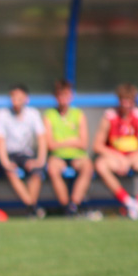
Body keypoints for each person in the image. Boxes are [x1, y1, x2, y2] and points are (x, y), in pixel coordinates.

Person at [92, 83, 138, 220]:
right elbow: (97, 146)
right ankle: (127, 202)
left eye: (129, 101)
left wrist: (129, 161)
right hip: (115, 157)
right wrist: (120, 158)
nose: (126, 104)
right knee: (100, 165)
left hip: (135, 158)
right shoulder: (109, 116)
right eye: (123, 100)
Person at [0, 84, 48, 218]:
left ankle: (31, 208)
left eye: (19, 98)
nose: (16, 101)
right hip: (9, 155)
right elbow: (0, 142)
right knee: (11, 172)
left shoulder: (33, 114)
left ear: (26, 99)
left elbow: (42, 139)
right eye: (13, 98)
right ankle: (32, 207)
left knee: (36, 173)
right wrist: (6, 163)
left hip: (26, 154)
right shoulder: (2, 114)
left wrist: (40, 161)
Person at [43, 79, 93, 217]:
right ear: (55, 96)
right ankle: (65, 206)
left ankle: (74, 205)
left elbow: (83, 143)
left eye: (66, 95)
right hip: (58, 156)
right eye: (60, 95)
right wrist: (72, 140)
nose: (63, 99)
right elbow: (51, 144)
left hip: (77, 155)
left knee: (87, 167)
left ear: (71, 96)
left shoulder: (78, 114)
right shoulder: (49, 115)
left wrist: (61, 141)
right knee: (52, 169)